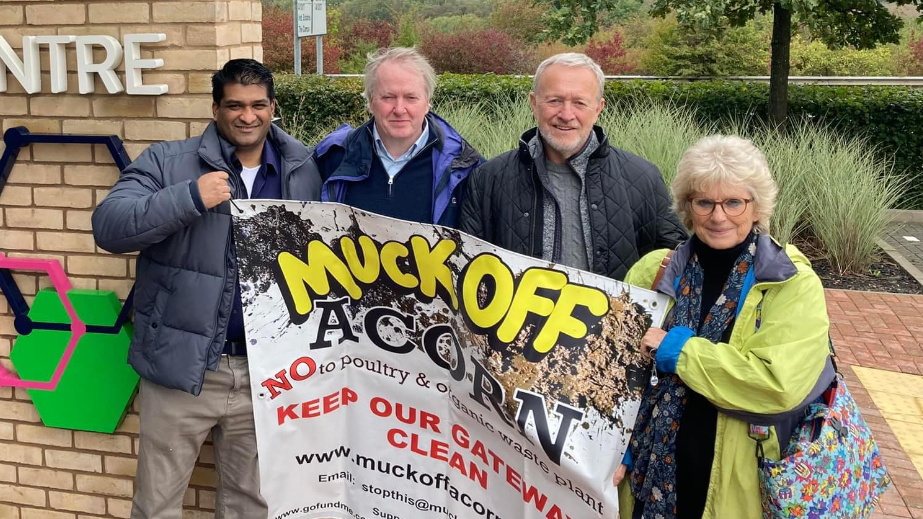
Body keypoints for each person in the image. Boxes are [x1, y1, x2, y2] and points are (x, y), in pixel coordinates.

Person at [92, 59, 322, 518]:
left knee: (250, 505)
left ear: (273, 107)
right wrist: (191, 197)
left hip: (267, 373)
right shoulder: (166, 161)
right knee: (156, 505)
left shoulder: (305, 169)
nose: (247, 115)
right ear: (215, 108)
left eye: (258, 105)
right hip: (183, 368)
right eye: (234, 105)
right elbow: (109, 228)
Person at [613, 135, 834, 519]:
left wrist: (679, 351)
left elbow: (776, 385)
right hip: (648, 472)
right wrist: (615, 446)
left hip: (733, 481)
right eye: (705, 202)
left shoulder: (789, 282)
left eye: (733, 202)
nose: (718, 217)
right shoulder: (654, 271)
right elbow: (616, 372)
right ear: (688, 206)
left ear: (756, 206)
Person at [458, 53, 686, 279]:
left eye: (579, 102)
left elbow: (678, 264)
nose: (566, 115)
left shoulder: (642, 178)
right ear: (534, 104)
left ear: (598, 109)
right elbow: (469, 268)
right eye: (554, 100)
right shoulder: (489, 179)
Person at [313, 47, 483, 227]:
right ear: (371, 102)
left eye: (411, 97)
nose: (400, 109)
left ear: (427, 102)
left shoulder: (466, 169)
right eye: (388, 97)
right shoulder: (332, 157)